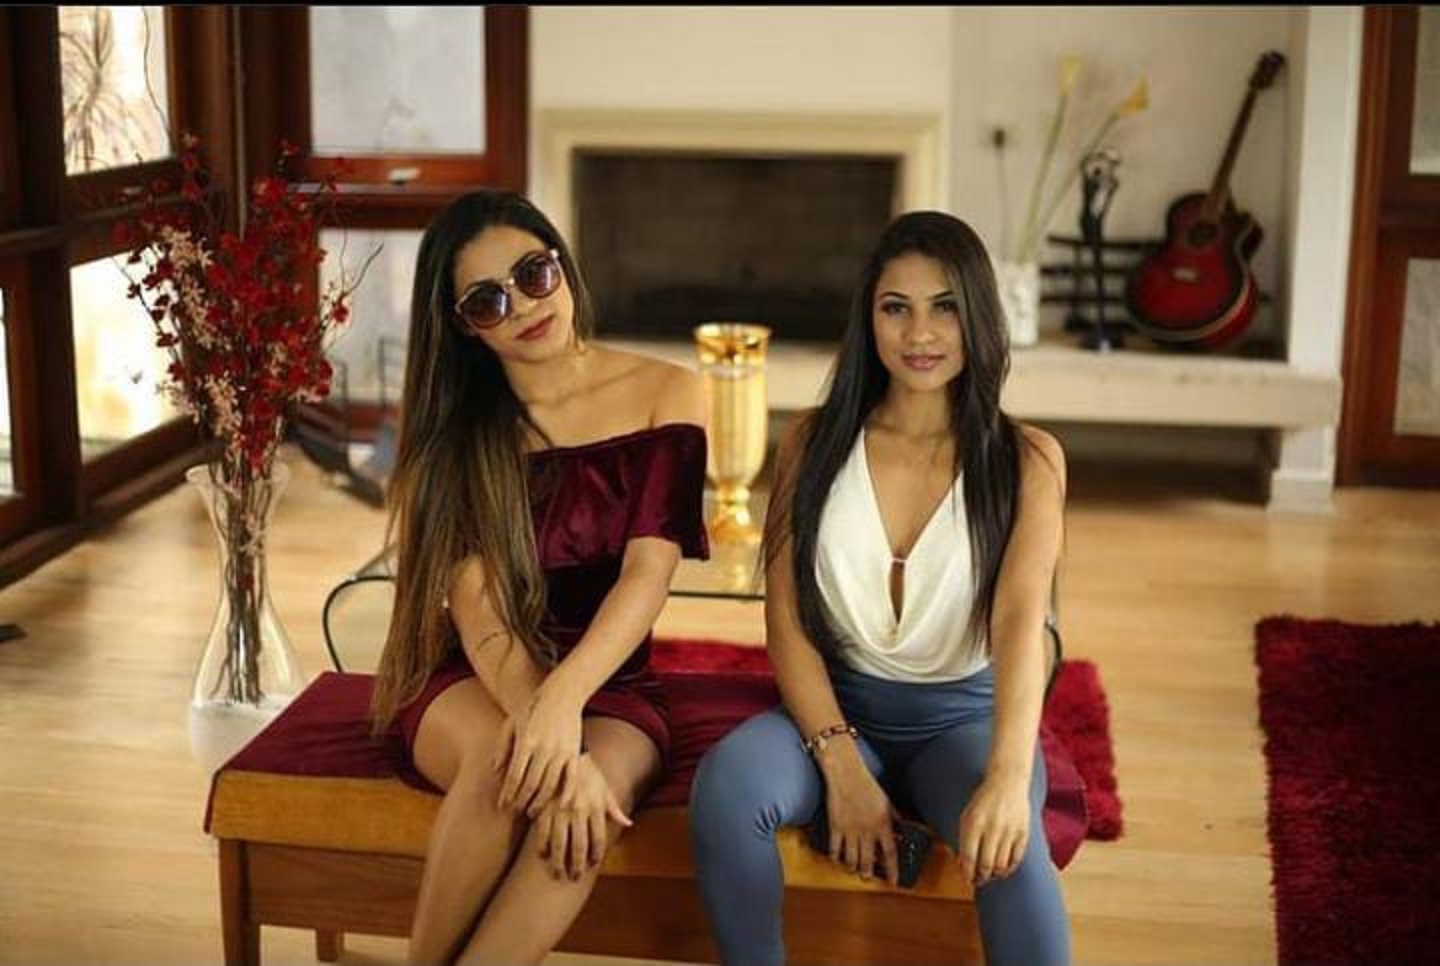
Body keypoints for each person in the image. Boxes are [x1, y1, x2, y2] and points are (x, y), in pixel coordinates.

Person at [689, 211, 1071, 965]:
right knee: (728, 789)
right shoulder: (813, 441)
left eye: (945, 307)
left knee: (1012, 849)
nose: (919, 333)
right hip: (836, 710)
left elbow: (1022, 625)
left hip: (961, 723)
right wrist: (840, 764)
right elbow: (786, 620)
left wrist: (1007, 775)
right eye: (896, 307)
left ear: (978, 315)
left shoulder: (1028, 459)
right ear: (869, 319)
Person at [369, 190, 709, 966]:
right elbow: (478, 610)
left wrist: (565, 705)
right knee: (509, 765)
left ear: (561, 264)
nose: (522, 304)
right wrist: (542, 722)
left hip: (611, 678)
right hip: (476, 675)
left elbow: (647, 575)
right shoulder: (455, 432)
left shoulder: (669, 390)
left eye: (532, 273)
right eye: (488, 300)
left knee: (585, 808)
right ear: (464, 326)